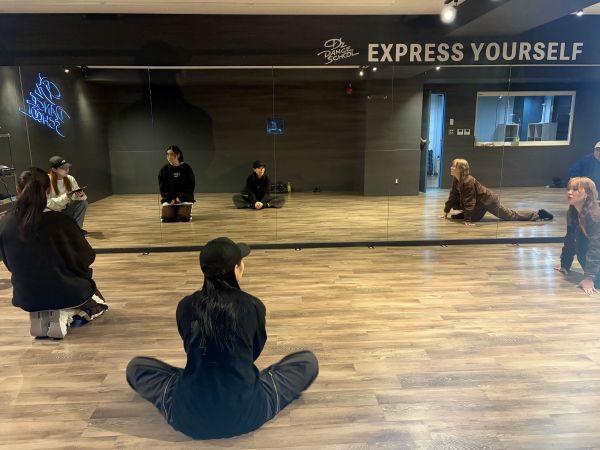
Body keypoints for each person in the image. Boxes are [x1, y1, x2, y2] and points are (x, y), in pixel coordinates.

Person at [126, 237, 318, 439]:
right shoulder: (253, 306)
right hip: (249, 412)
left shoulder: (185, 306)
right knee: (307, 361)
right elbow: (253, 353)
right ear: (236, 269)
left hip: (189, 417)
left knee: (136, 367)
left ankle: (193, 380)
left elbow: (191, 348)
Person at [0, 168, 108, 338]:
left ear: (18, 190)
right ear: (49, 190)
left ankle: (41, 313)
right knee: (99, 303)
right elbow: (86, 257)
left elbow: (8, 262)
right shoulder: (62, 222)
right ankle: (66, 312)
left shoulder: (5, 224)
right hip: (67, 291)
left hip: (26, 295)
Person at [442, 158, 554, 225]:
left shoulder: (468, 181)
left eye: (453, 166)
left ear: (460, 169)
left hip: (488, 201)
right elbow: (453, 196)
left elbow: (469, 201)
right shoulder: (457, 179)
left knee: (510, 216)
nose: (451, 168)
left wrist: (467, 220)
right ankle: (467, 216)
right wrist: (446, 212)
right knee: (472, 217)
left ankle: (537, 215)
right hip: (479, 204)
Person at [555, 177, 600, 295]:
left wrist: (589, 277)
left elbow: (596, 247)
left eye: (575, 189)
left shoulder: (595, 215)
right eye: (568, 189)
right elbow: (570, 239)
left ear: (587, 194)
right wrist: (565, 264)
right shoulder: (573, 212)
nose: (569, 192)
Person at [47, 155, 88, 231]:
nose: (67, 170)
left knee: (83, 203)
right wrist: (66, 197)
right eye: (63, 168)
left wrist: (80, 195)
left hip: (65, 210)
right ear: (54, 169)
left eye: (67, 167)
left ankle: (77, 230)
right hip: (52, 212)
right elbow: (47, 203)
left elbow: (79, 198)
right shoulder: (47, 181)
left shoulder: (70, 178)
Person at [158, 145, 196, 222]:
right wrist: (170, 199)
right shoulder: (163, 170)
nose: (169, 157)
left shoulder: (186, 168)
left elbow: (190, 186)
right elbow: (163, 188)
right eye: (167, 154)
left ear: (178, 155)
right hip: (170, 200)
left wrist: (180, 198)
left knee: (183, 218)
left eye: (172, 154)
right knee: (167, 218)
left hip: (184, 199)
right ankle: (174, 210)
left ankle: (184, 211)